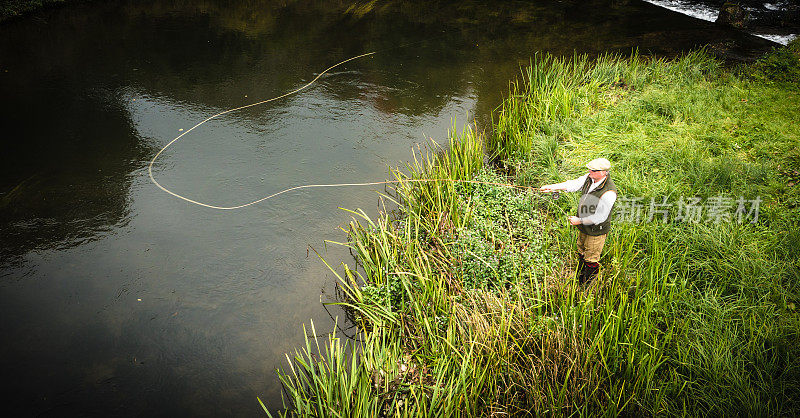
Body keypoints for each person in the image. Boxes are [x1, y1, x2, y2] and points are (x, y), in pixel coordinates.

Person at [540, 158, 617, 284]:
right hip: (583, 225)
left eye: (593, 170)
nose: (589, 171)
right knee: (581, 248)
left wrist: (579, 220)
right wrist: (552, 187)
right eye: (589, 169)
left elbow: (600, 217)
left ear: (604, 172)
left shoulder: (609, 192)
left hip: (596, 229)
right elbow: (573, 184)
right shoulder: (590, 177)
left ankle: (588, 284)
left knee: (591, 257)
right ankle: (580, 274)